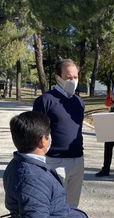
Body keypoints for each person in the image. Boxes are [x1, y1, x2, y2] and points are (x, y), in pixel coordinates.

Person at [33, 58, 84, 208]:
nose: (73, 81)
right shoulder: (45, 100)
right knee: (54, 207)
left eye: (75, 77)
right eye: (69, 77)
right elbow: (35, 133)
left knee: (72, 207)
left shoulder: (79, 102)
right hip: (54, 161)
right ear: (58, 78)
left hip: (77, 161)